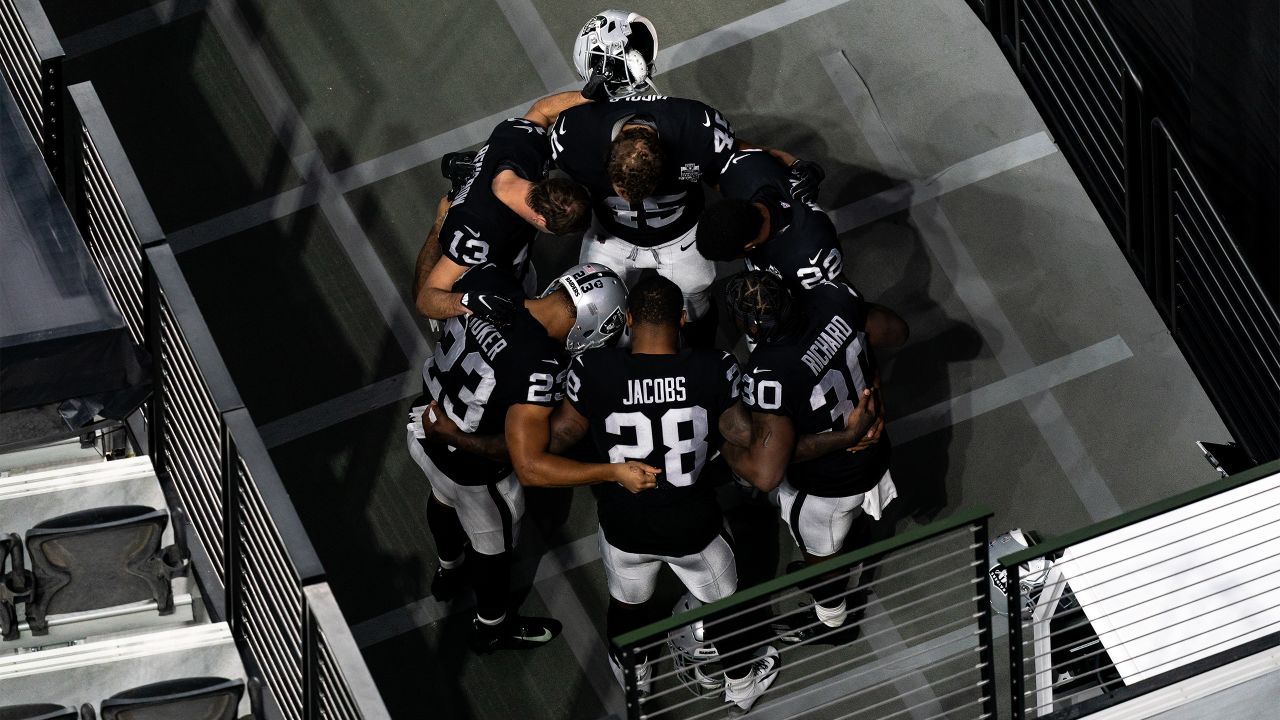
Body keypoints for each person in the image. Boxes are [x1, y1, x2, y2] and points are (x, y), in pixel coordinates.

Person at [550, 275, 778, 709]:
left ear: (630, 320)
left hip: (624, 524)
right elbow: (740, 433)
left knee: (627, 607)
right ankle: (741, 687)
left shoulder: (592, 369)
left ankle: (634, 676)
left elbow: (560, 436)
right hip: (692, 526)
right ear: (682, 318)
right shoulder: (714, 366)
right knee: (724, 608)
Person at [407, 261, 634, 653]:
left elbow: (428, 291)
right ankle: (492, 627)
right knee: (493, 552)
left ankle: (448, 569)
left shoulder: (490, 282)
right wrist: (612, 471)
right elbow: (523, 461)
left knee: (441, 497)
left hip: (422, 420)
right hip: (467, 462)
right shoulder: (541, 365)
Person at [721, 270, 908, 643]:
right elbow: (895, 332)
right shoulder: (833, 297)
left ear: (751, 327)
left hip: (828, 488)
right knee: (848, 524)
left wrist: (725, 445)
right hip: (875, 451)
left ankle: (832, 620)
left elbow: (767, 473)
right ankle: (852, 540)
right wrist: (872, 390)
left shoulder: (769, 372)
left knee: (820, 556)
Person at [413, 91, 594, 322]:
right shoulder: (477, 234)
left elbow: (541, 111)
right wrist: (467, 302)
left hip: (514, 268)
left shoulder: (520, 143)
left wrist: (589, 94)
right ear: (540, 221)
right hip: (480, 294)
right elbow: (426, 299)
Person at [696, 147, 844, 292]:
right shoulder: (740, 169)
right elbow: (768, 154)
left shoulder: (812, 255)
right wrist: (797, 163)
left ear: (748, 245)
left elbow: (828, 295)